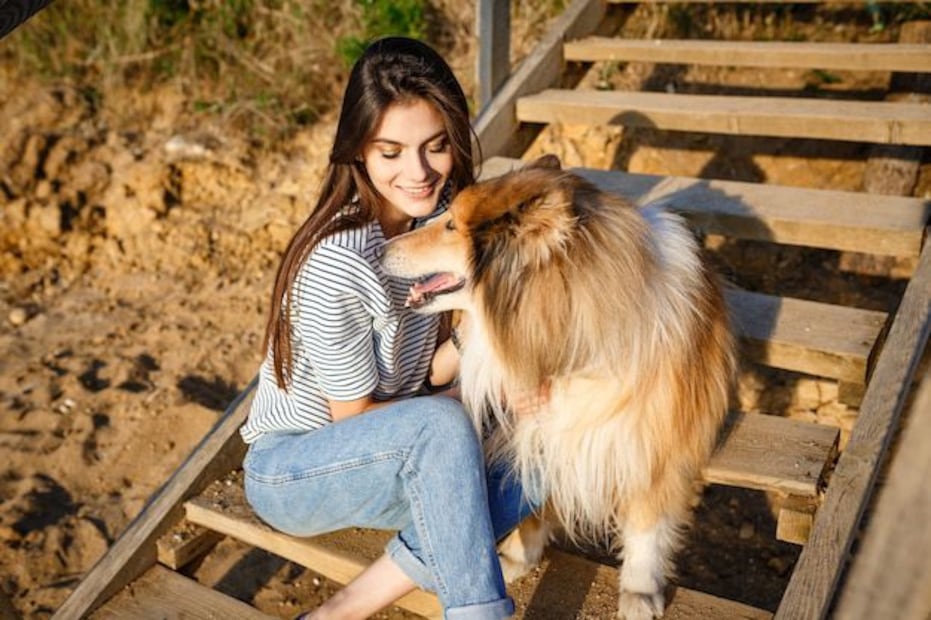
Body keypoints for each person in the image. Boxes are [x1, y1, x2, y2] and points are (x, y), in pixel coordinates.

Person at [239, 37, 532, 620]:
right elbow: (361, 416)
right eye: (391, 151)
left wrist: (478, 329)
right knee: (452, 421)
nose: (418, 172)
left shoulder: (439, 219)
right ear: (358, 150)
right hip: (297, 468)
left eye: (436, 146)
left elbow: (422, 374)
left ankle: (341, 610)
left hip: (403, 443)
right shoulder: (341, 263)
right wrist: (485, 394)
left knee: (546, 440)